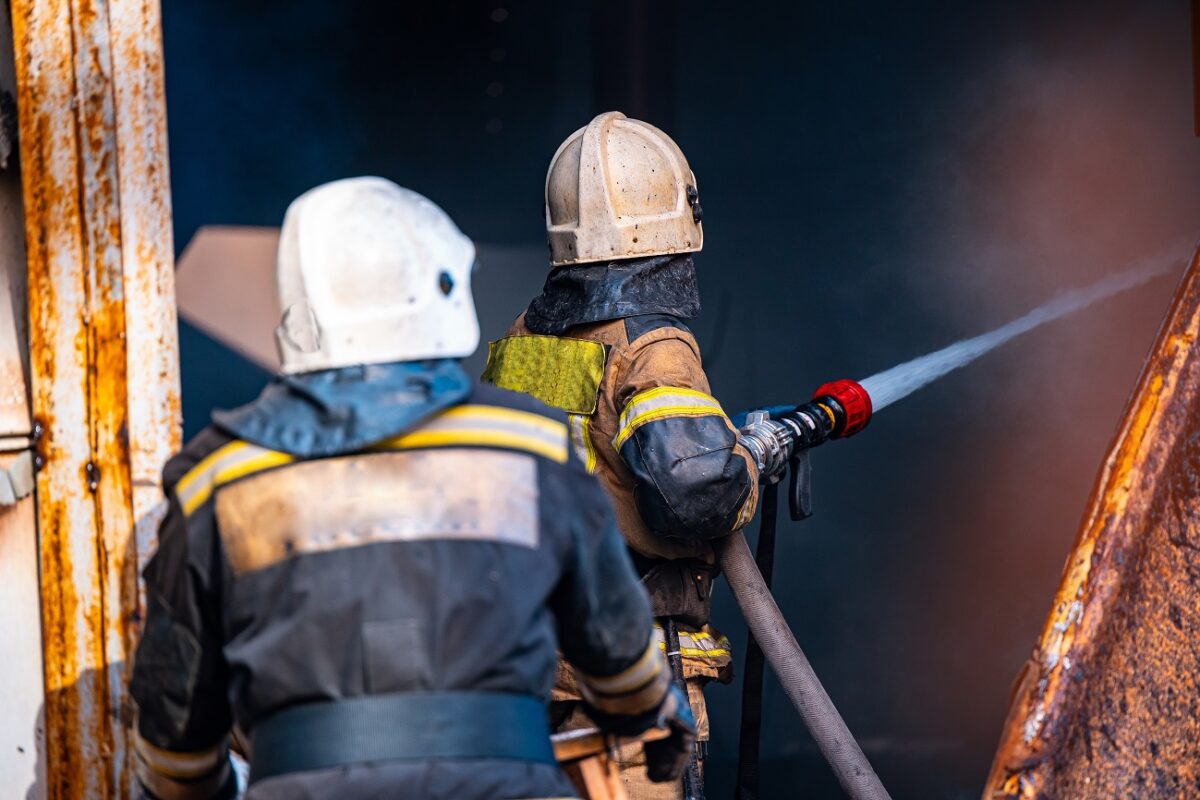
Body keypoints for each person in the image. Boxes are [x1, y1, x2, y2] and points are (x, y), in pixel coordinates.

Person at [128, 176, 695, 800]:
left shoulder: (218, 483)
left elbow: (174, 727)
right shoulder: (527, 450)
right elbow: (612, 641)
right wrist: (650, 711)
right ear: (441, 288)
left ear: (300, 309)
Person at [483, 112, 760, 798]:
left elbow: (587, 459)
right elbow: (695, 496)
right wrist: (751, 456)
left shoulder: (530, 339)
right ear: (679, 213)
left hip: (533, 678)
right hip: (632, 686)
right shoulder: (652, 348)